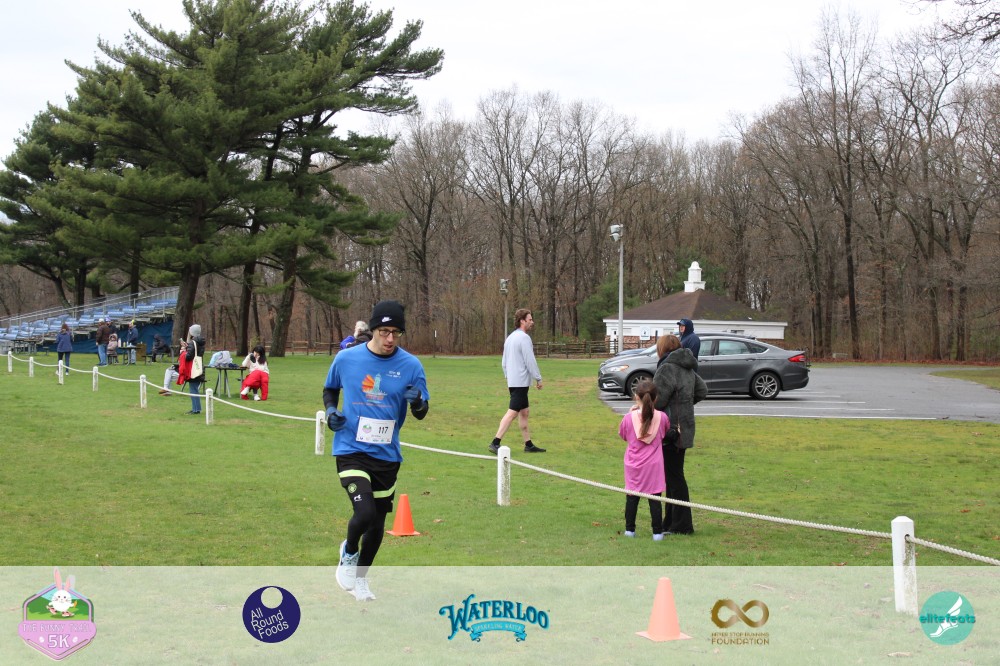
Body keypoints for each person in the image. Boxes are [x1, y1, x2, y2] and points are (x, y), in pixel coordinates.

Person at [322, 300, 429, 602]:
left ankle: (361, 579)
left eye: (396, 332)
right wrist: (331, 412)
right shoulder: (347, 358)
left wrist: (417, 401)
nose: (390, 339)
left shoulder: (411, 366)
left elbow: (421, 412)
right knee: (365, 512)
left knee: (378, 522)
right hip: (351, 447)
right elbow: (330, 389)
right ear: (373, 331)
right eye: (384, 332)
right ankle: (349, 551)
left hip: (386, 454)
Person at [653, 334, 707, 535]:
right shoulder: (686, 367)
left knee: (674, 477)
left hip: (671, 431)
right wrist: (685, 405)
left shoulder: (667, 368)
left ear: (662, 349)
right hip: (684, 428)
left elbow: (657, 401)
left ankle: (682, 525)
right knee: (672, 476)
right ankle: (671, 521)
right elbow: (702, 390)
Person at [489, 308, 545, 454]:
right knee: (512, 413)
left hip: (514, 382)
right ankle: (495, 442)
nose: (532, 322)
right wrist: (538, 378)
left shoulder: (510, 338)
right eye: (530, 319)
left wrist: (508, 377)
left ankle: (528, 445)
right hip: (520, 382)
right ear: (522, 321)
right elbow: (530, 360)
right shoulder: (524, 338)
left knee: (524, 412)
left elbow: (504, 362)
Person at [618, 378, 668, 541]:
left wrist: (631, 413)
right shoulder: (662, 417)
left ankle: (629, 531)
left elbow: (623, 435)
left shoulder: (628, 418)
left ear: (636, 397)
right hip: (654, 465)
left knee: (632, 498)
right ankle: (657, 534)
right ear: (656, 398)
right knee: (655, 499)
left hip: (633, 464)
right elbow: (664, 433)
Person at [178, 324, 206, 415]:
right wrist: (188, 347)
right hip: (199, 367)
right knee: (195, 389)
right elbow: (195, 352)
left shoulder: (193, 343)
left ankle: (196, 409)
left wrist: (183, 351)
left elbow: (189, 357)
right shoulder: (200, 342)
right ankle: (196, 408)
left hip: (193, 369)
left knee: (193, 390)